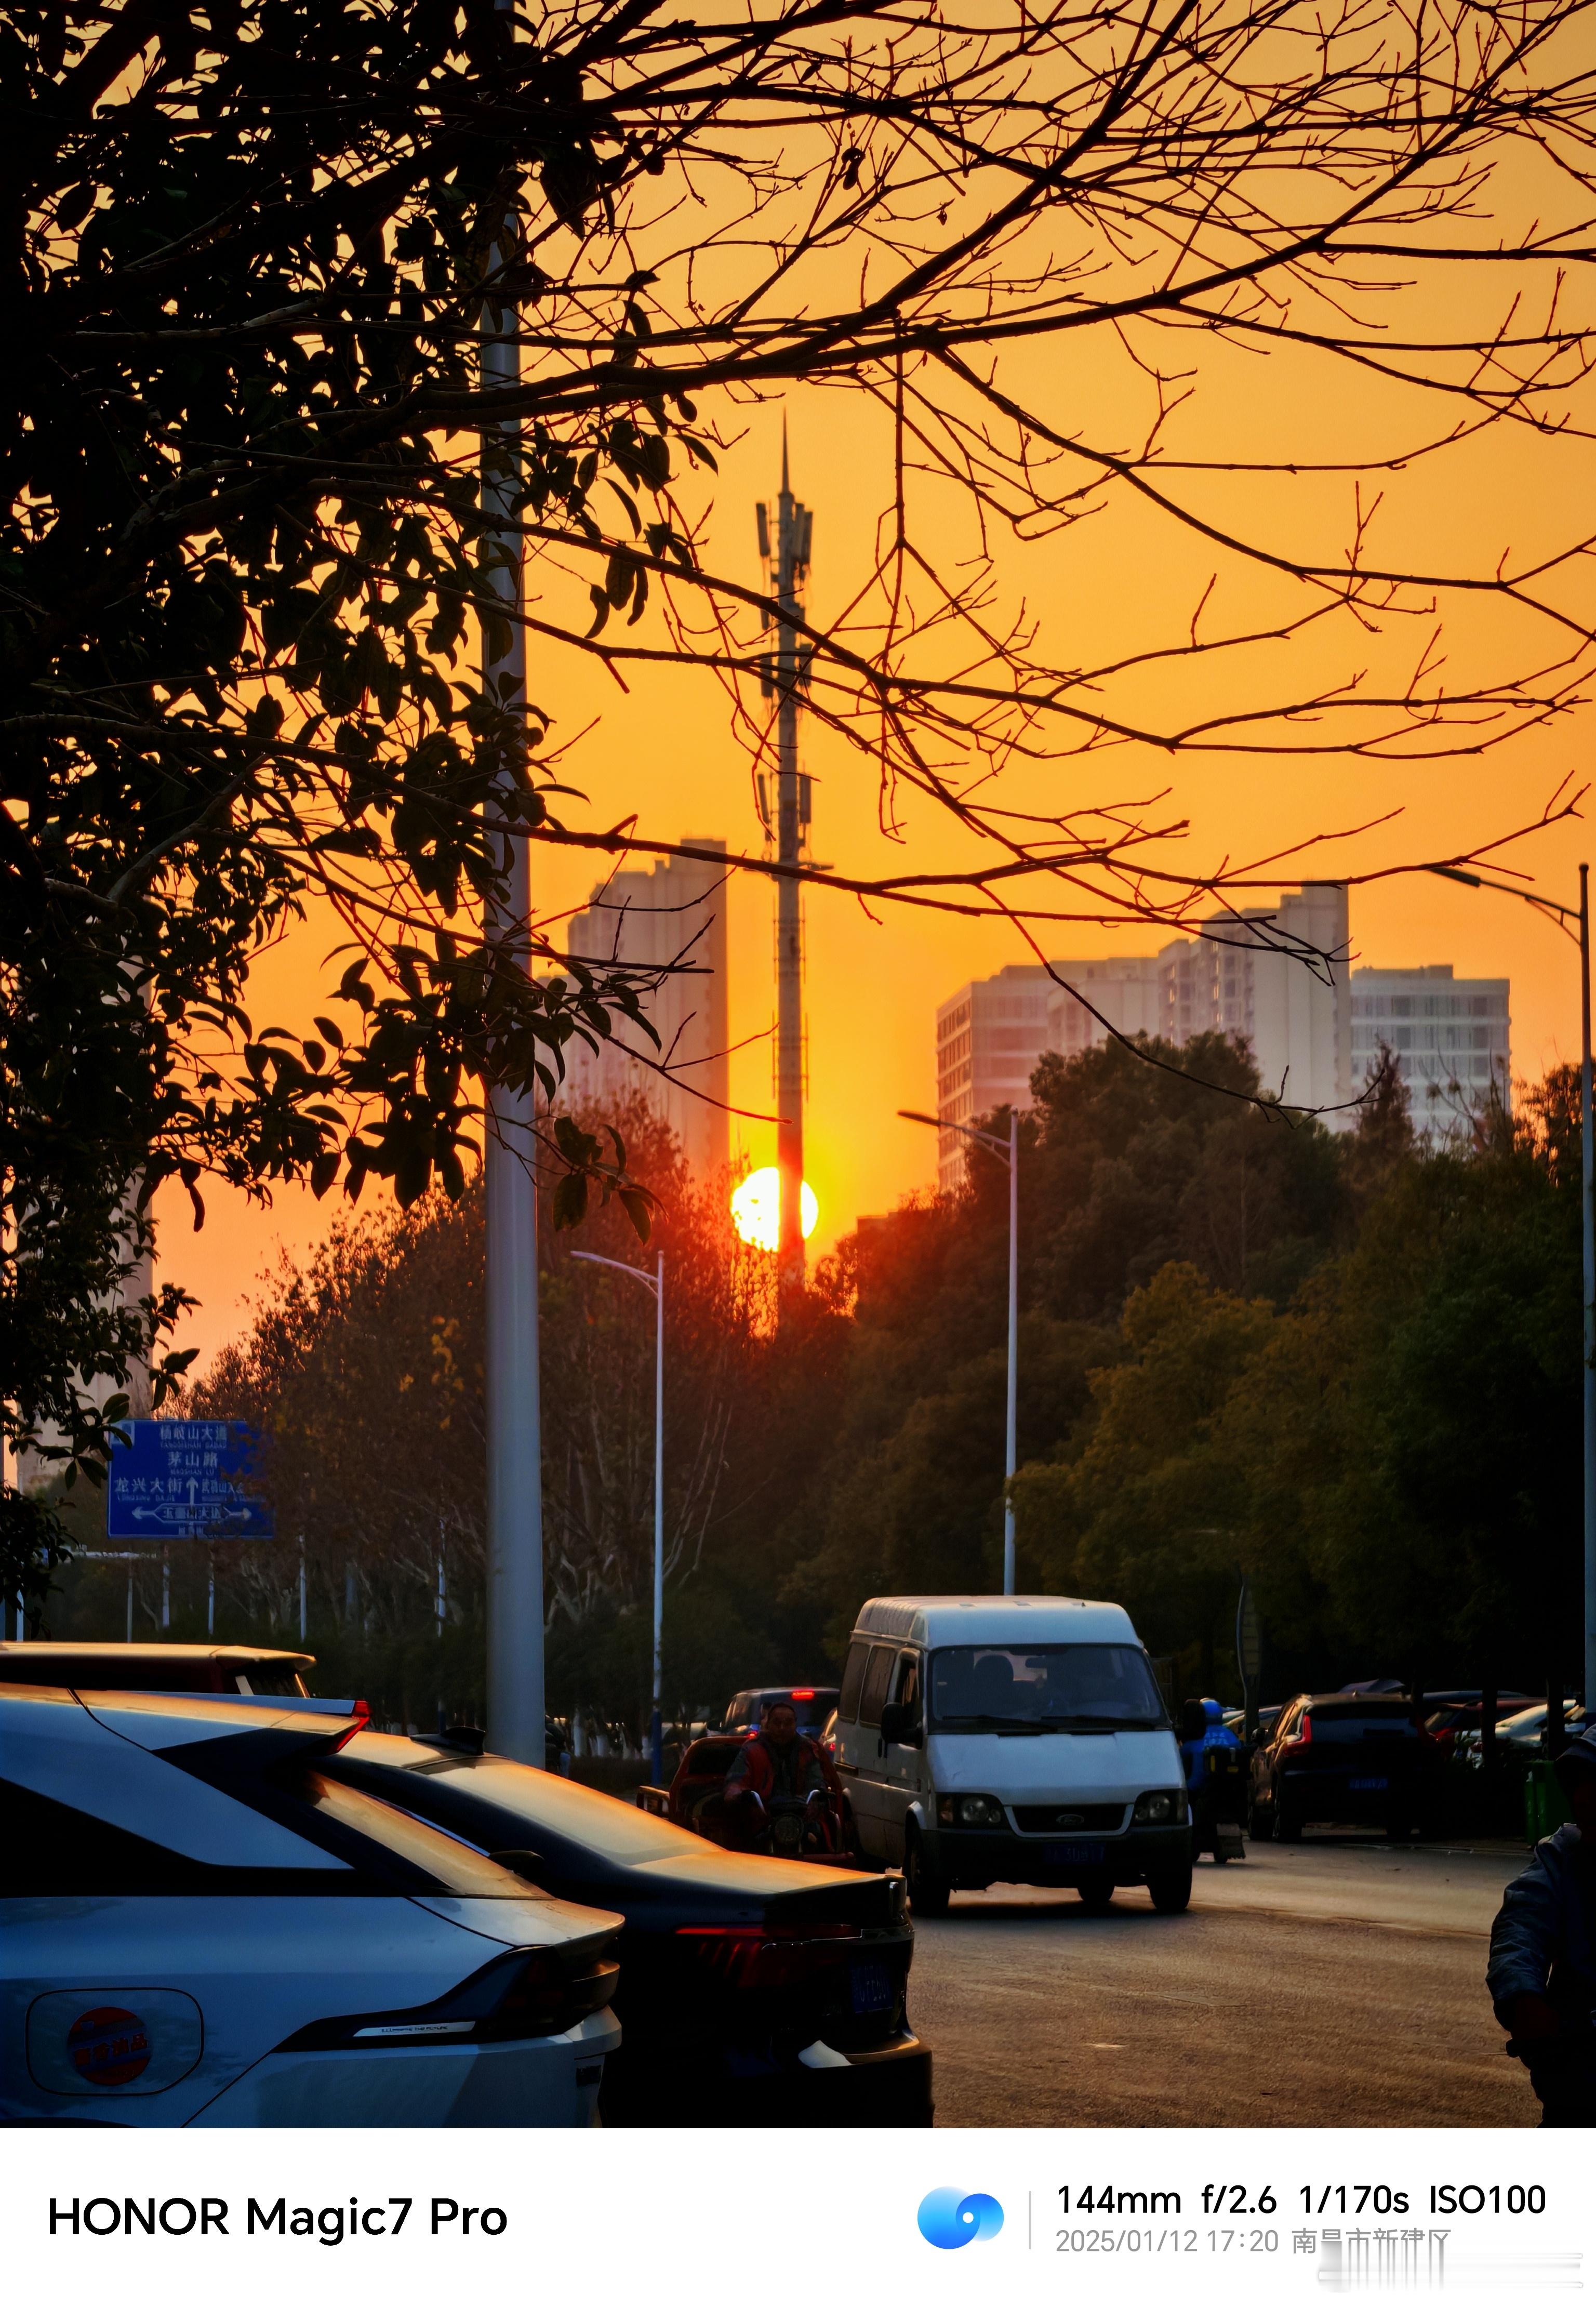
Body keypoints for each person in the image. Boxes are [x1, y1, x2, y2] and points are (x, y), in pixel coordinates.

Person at [1486, 1721, 1596, 2128]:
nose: (1585, 1797)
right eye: (1581, 1785)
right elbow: (1520, 1930)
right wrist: (1524, 1999)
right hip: (1579, 2091)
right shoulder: (1562, 1859)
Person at [724, 1699, 835, 1848]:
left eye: (788, 1723)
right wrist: (738, 1794)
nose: (782, 1728)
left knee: (820, 1839)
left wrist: (819, 1796)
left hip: (802, 1816)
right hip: (763, 1816)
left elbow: (817, 1779)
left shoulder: (808, 1749)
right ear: (768, 1724)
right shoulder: (751, 1750)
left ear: (796, 1724)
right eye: (777, 1723)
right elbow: (736, 1780)